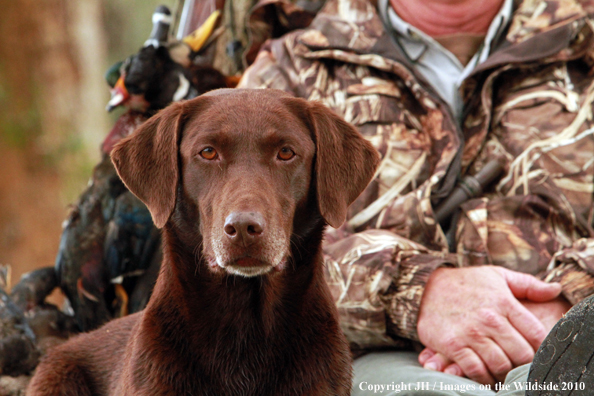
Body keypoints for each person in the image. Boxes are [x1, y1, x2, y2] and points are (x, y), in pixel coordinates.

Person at [238, 0, 594, 394]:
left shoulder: (584, 38)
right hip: (377, 359)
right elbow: (236, 252)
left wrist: (571, 299)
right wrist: (416, 291)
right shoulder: (293, 67)